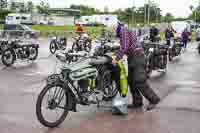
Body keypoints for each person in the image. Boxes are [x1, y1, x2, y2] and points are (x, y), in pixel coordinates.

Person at [112, 23, 160, 111]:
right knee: (131, 81)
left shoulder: (123, 31)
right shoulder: (128, 30)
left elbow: (125, 47)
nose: (113, 30)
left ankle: (154, 99)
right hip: (133, 57)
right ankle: (137, 102)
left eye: (114, 28)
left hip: (137, 57)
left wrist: (116, 59)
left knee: (139, 80)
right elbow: (127, 45)